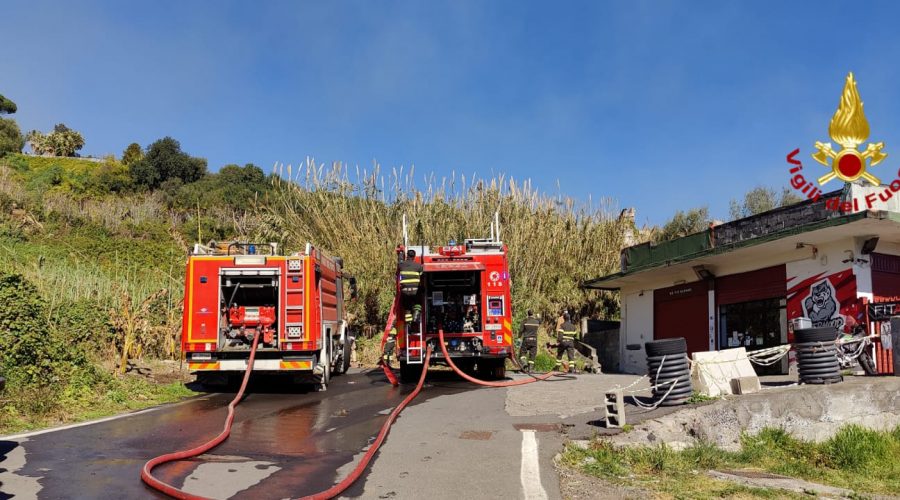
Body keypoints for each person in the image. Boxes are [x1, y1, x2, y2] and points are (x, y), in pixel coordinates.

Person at [398, 249, 424, 322]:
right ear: (414, 256)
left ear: (407, 256)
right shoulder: (418, 266)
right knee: (418, 303)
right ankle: (416, 317)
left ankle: (408, 323)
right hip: (415, 291)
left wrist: (400, 253)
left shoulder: (401, 265)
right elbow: (422, 276)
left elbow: (400, 260)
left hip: (405, 291)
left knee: (407, 307)